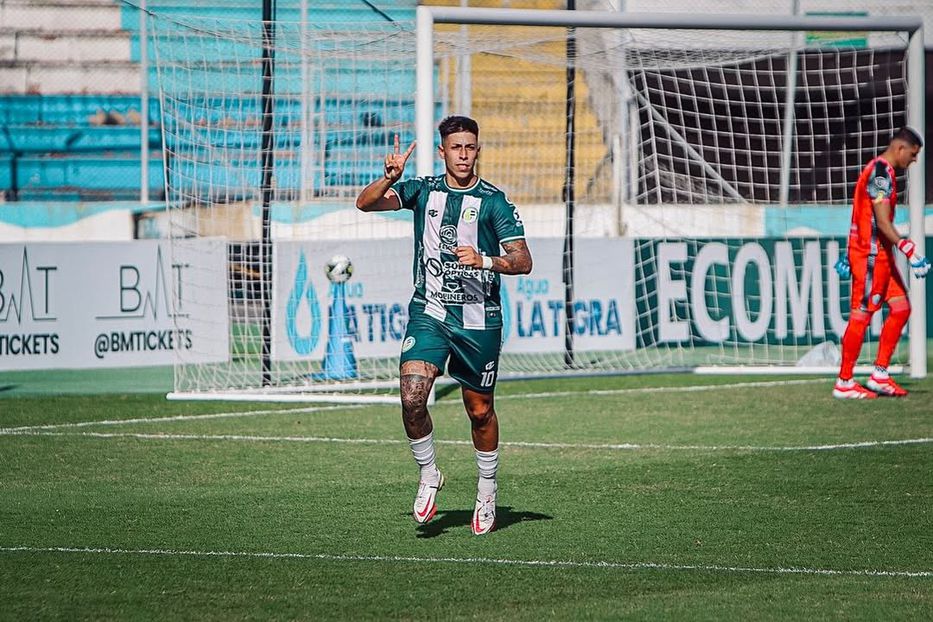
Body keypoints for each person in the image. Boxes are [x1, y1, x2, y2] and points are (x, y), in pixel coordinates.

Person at [355, 116, 533, 534]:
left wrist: (486, 260)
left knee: (480, 411)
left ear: (478, 149)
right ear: (443, 151)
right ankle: (429, 472)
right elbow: (365, 204)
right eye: (456, 147)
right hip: (430, 312)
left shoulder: (494, 202)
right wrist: (388, 179)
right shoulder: (424, 191)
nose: (464, 154)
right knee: (412, 396)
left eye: (470, 147)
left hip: (479, 321)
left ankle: (487, 488)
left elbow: (523, 261)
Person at [833, 126, 930, 399]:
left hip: (877, 254)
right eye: (912, 155)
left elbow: (863, 216)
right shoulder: (880, 174)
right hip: (871, 256)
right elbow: (883, 222)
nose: (913, 161)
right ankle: (845, 380)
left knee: (900, 308)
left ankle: (880, 374)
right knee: (861, 314)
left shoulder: (882, 172)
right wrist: (908, 248)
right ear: (900, 148)